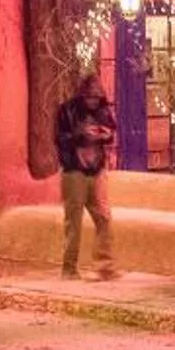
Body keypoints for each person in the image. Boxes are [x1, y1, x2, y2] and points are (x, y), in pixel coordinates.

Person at [55, 72, 120, 280]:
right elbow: (60, 139)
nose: (93, 101)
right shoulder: (67, 111)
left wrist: (105, 134)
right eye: (89, 97)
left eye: (96, 97)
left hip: (96, 169)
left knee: (103, 217)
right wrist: (81, 135)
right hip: (75, 170)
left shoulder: (103, 110)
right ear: (82, 96)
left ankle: (105, 266)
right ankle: (69, 268)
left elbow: (111, 129)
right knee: (73, 221)